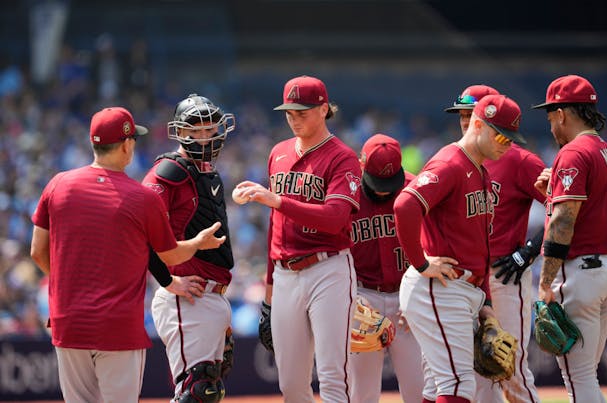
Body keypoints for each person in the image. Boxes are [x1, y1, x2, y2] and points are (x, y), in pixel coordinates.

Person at [29, 106, 226, 403]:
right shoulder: (141, 197)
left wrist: (69, 286)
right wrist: (197, 242)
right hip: (118, 326)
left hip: (68, 320)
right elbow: (170, 256)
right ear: (126, 144)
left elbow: (36, 252)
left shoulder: (58, 184)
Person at [234, 75, 361, 402]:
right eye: (289, 112)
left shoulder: (342, 157)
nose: (294, 119)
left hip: (328, 269)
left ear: (323, 109)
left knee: (334, 377)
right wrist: (268, 294)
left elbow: (335, 219)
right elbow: (276, 228)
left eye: (301, 112)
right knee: (290, 384)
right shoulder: (278, 153)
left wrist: (279, 200)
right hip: (285, 274)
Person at [395, 94, 525, 403]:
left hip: (462, 289)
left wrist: (487, 303)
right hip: (440, 286)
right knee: (459, 384)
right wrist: (421, 263)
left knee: (440, 385)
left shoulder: (481, 171)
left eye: (511, 138)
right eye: (501, 135)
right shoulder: (450, 162)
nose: (506, 143)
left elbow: (478, 245)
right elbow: (404, 206)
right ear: (478, 124)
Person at [445, 84, 545, 403]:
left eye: (468, 113)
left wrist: (530, 251)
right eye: (461, 114)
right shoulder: (454, 159)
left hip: (503, 275)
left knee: (509, 369)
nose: (464, 120)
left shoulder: (518, 159)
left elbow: (566, 206)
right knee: (475, 372)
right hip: (465, 279)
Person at [142, 94, 236, 402]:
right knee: (195, 393)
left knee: (207, 391)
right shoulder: (169, 171)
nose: (206, 136)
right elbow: (141, 231)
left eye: (211, 130)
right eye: (197, 130)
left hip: (211, 296)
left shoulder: (207, 172)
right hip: (187, 296)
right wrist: (168, 281)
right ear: (181, 132)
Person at [532, 74, 607, 402]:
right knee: (584, 375)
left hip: (580, 273)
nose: (551, 125)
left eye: (550, 116)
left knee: (579, 378)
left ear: (562, 114)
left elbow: (563, 222)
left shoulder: (573, 153)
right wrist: (551, 196)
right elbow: (587, 212)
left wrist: (545, 284)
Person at [349, 133, 423, 402]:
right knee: (361, 395)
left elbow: (434, 247)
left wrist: (419, 295)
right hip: (363, 297)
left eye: (389, 182)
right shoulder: (346, 191)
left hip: (409, 296)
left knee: (421, 391)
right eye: (377, 181)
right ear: (361, 165)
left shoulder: (416, 189)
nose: (382, 189)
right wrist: (350, 298)